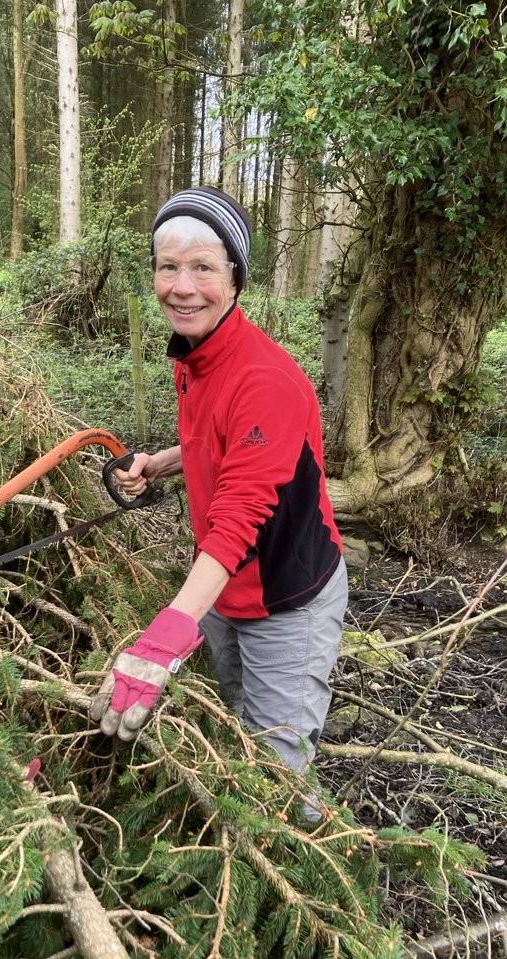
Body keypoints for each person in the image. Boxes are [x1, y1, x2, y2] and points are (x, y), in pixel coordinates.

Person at [90, 185, 347, 785]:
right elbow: (223, 437)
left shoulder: (265, 378)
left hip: (288, 596)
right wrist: (162, 462)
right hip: (225, 591)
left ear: (235, 279)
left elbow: (240, 513)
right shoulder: (196, 352)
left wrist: (166, 635)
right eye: (168, 267)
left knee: (274, 772)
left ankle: (300, 855)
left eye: (203, 267)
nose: (182, 286)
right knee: (234, 726)